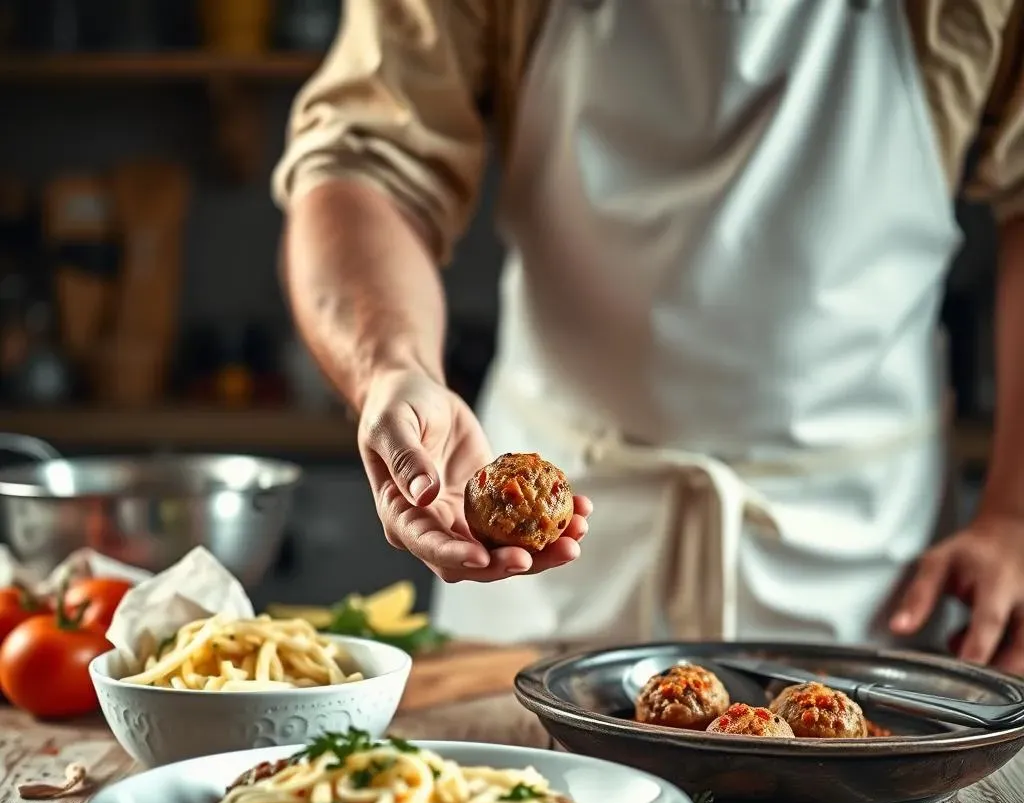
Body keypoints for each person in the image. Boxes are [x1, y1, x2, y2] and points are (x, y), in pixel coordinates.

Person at [275, 0, 1024, 670]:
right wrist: (392, 369)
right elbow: (365, 162)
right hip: (541, 576)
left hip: (866, 568)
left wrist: (1015, 512)